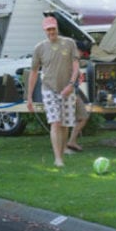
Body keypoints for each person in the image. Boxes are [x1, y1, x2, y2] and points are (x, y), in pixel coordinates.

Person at [27, 16, 81, 167]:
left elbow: (76, 65)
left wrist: (71, 85)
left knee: (64, 124)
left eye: (53, 28)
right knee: (55, 122)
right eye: (48, 29)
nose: (51, 31)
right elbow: (33, 72)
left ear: (57, 28)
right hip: (49, 89)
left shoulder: (69, 43)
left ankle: (62, 152)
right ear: (45, 31)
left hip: (68, 89)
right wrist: (29, 97)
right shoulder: (40, 48)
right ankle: (58, 158)